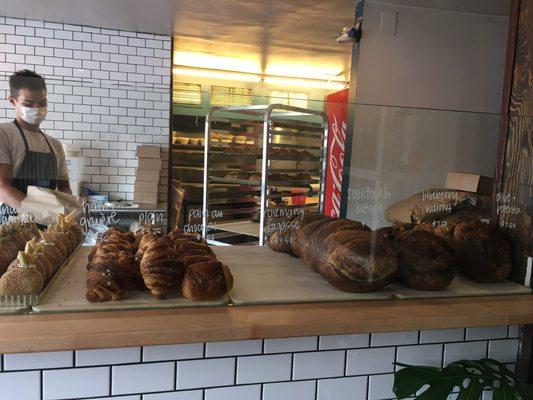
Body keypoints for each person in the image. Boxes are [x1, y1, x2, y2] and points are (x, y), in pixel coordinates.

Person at [0, 69, 71, 222]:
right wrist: (45, 212)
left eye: (42, 103)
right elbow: (2, 189)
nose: (37, 109)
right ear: (12, 101)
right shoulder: (4, 134)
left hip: (48, 229)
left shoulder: (55, 145)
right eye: (28, 103)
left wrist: (72, 210)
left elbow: (64, 188)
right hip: (12, 227)